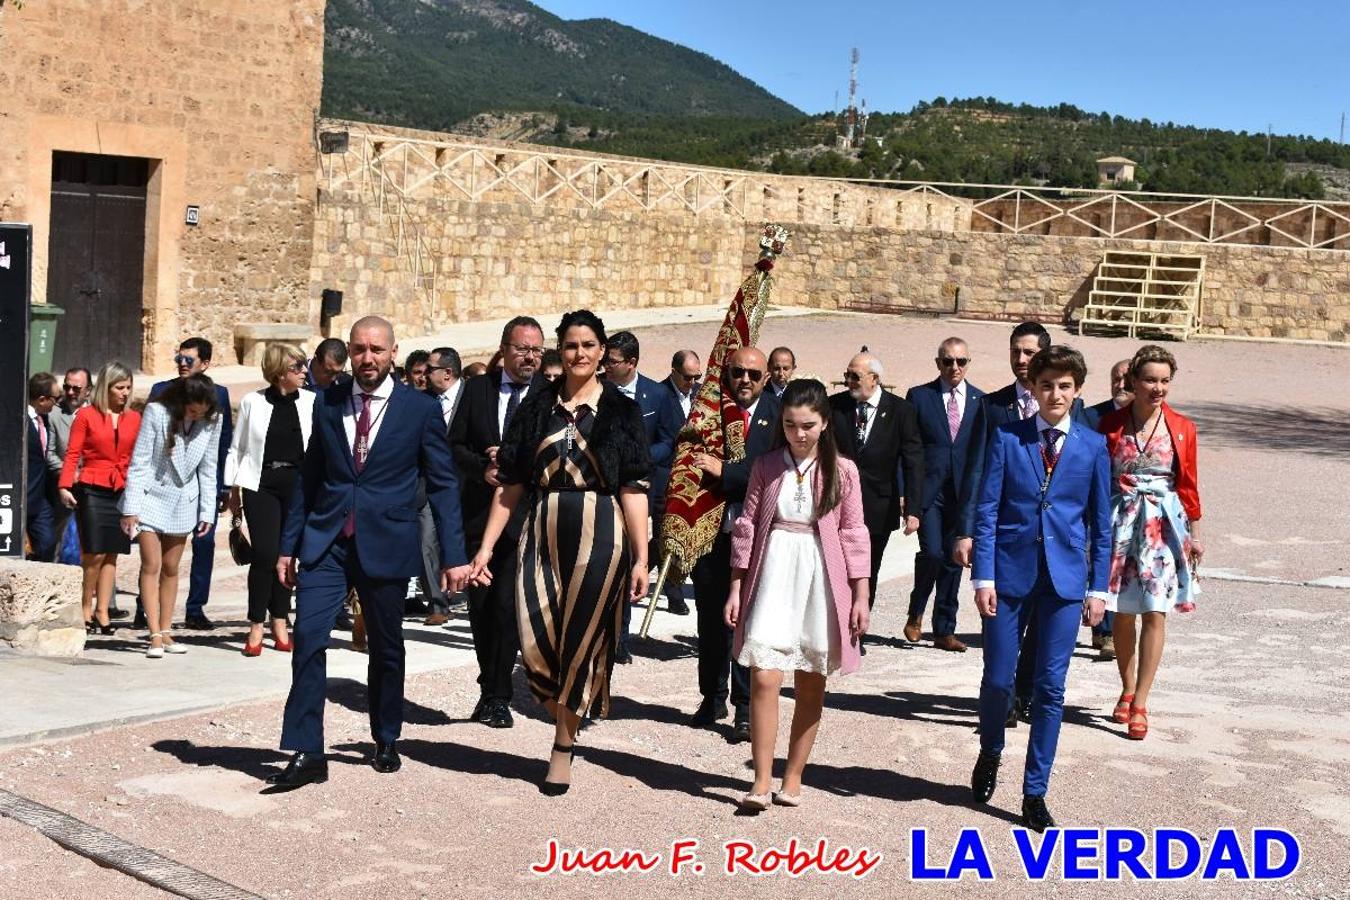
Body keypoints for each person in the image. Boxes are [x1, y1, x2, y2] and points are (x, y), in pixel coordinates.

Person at [267, 317, 470, 789]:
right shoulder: (328, 401)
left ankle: (385, 735)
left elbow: (442, 484)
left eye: (376, 349)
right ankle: (308, 751)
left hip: (386, 540)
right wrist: (288, 545)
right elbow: (310, 475)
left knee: (385, 646)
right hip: (327, 541)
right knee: (310, 639)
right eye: (359, 349)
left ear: (393, 352)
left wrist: (454, 554)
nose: (367, 358)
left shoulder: (419, 410)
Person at [466, 309, 650, 796]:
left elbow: (633, 488)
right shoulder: (536, 407)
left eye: (589, 345)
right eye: (571, 345)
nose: (580, 354)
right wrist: (485, 548)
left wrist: (642, 558)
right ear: (560, 350)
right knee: (536, 640)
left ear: (602, 350)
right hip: (543, 530)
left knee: (580, 642)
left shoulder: (622, 411)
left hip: (602, 533)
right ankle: (564, 708)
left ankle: (562, 746)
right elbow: (509, 485)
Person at [970, 345, 1111, 832]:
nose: (1055, 394)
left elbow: (1101, 525)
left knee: (1051, 689)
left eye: (1065, 387)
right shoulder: (1008, 439)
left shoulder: (1093, 447)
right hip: (1008, 576)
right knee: (998, 679)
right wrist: (982, 576)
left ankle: (1035, 791)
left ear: (1076, 392)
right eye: (1047, 385)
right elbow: (986, 510)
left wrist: (1099, 590)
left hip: (1065, 581)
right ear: (1033, 387)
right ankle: (991, 749)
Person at [724, 379, 870, 810]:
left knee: (810, 679)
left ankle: (794, 776)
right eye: (790, 425)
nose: (799, 433)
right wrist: (735, 585)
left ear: (824, 423)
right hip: (772, 571)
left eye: (807, 425)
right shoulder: (767, 465)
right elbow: (746, 526)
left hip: (823, 575)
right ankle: (761, 780)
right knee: (764, 674)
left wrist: (860, 595)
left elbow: (854, 532)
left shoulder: (844, 470)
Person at [957, 322, 1088, 723]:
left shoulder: (1073, 408)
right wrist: (966, 530)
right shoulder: (992, 406)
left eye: (1029, 353)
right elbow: (976, 471)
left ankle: (1027, 691)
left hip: (1053, 546)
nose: (1021, 359)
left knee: (1042, 628)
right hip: (1009, 539)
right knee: (1003, 629)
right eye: (1016, 351)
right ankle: (1002, 698)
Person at [1099, 345, 1202, 741]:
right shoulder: (1108, 424)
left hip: (1162, 525)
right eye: (1150, 380)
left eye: (1164, 381)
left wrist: (1196, 535)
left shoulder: (1182, 426)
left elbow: (1188, 482)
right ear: (1133, 381)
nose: (1158, 388)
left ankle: (1142, 700)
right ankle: (1126, 687)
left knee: (1155, 611)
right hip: (1119, 522)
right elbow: (1095, 477)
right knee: (1122, 610)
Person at [450, 316, 545, 729]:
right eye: (523, 349)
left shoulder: (549, 394)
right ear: (504, 349)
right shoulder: (476, 391)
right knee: (483, 608)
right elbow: (453, 446)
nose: (531, 357)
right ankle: (489, 684)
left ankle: (498, 695)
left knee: (507, 606)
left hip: (525, 520)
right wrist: (481, 470)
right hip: (478, 518)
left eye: (537, 350)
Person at [689, 346, 781, 742]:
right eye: (737, 372)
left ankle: (745, 706)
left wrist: (726, 472)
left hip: (757, 536)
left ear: (765, 378)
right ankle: (712, 696)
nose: (744, 380)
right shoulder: (709, 412)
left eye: (753, 374)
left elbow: (770, 476)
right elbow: (689, 460)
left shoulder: (777, 418)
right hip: (712, 534)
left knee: (748, 621)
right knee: (710, 619)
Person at [120, 374, 223, 659]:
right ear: (182, 402)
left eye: (202, 411)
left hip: (184, 500)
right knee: (150, 564)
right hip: (152, 495)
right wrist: (131, 508)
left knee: (171, 567)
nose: (197, 415)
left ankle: (166, 630)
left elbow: (208, 468)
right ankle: (153, 633)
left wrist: (207, 512)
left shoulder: (213, 420)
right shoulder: (156, 412)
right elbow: (140, 461)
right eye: (192, 410)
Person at [829, 352, 923, 654]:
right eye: (847, 375)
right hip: (837, 506)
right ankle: (834, 629)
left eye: (855, 376)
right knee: (837, 568)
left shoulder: (900, 411)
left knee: (865, 571)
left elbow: (913, 461)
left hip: (877, 507)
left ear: (875, 379)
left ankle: (855, 633)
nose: (849, 381)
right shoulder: (835, 406)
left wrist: (913, 510)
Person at [225, 344, 315, 656]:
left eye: (305, 366)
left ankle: (280, 618)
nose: (305, 372)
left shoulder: (312, 402)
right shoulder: (253, 401)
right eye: (298, 367)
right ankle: (255, 623)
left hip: (299, 485)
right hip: (260, 483)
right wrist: (232, 489)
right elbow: (237, 448)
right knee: (264, 554)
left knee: (287, 555)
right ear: (279, 372)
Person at [602, 330, 684, 648]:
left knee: (629, 561)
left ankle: (620, 637)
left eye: (612, 361)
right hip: (602, 490)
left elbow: (671, 437)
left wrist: (647, 458)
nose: (605, 366)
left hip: (639, 492)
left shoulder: (657, 395)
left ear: (632, 362)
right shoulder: (594, 390)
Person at [904, 338, 985, 652]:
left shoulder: (981, 402)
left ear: (968, 363)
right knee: (934, 552)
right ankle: (917, 608)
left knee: (954, 560)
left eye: (961, 361)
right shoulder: (920, 397)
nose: (955, 368)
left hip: (963, 494)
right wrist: (908, 496)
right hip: (930, 492)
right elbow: (909, 450)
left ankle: (944, 630)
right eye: (948, 361)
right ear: (938, 363)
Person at [149, 337, 233, 631]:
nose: (182, 365)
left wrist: (223, 487)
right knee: (156, 548)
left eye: (189, 360)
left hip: (201, 484)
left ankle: (195, 607)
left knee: (205, 542)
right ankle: (145, 608)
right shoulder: (161, 392)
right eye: (179, 359)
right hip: (165, 483)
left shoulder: (219, 395)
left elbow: (222, 445)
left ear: (205, 364)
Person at [58, 362, 141, 634]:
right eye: (120, 387)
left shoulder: (134, 418)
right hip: (92, 487)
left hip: (122, 490)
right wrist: (64, 485)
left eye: (128, 387)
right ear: (107, 388)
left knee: (112, 555)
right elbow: (72, 453)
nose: (125, 393)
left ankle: (103, 611)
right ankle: (84, 607)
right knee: (93, 553)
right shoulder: (86, 416)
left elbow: (139, 457)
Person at [418, 346, 465, 625]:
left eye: (430, 369)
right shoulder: (422, 402)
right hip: (428, 485)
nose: (424, 374)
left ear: (447, 373)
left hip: (467, 483)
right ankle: (437, 602)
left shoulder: (471, 396)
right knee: (425, 539)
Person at [44, 367, 91, 563]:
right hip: (63, 487)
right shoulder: (54, 414)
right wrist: (69, 472)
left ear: (88, 390)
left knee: (95, 542)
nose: (70, 392)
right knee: (56, 539)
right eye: (67, 387)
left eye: (76, 388)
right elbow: (50, 452)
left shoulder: (98, 413)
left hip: (93, 486)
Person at [26, 374, 61, 562]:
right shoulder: (19, 420)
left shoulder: (45, 420)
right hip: (18, 496)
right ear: (42, 399)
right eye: (55, 399)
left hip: (40, 498)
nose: (57, 405)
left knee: (47, 543)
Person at [1086, 358, 1133, 427]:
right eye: (1116, 380)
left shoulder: (1150, 415)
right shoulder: (1089, 417)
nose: (1121, 386)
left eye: (1127, 380)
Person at [664, 349, 702, 419]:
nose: (692, 382)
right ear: (674, 372)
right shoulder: (659, 395)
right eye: (687, 377)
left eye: (697, 377)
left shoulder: (702, 391)